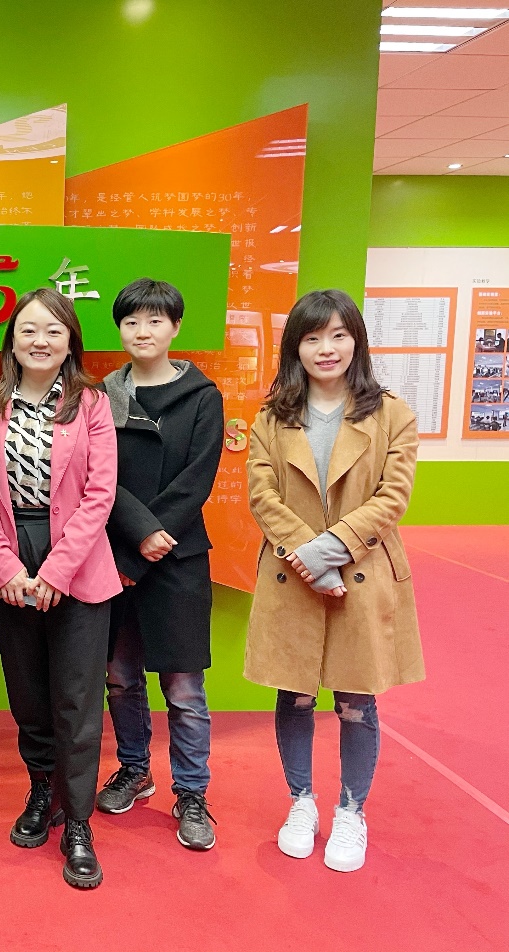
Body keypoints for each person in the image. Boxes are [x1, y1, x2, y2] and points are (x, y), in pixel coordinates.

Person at [244, 288, 423, 873]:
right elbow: (262, 496)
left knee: (355, 698)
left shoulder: (392, 413)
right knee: (294, 693)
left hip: (361, 572)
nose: (326, 348)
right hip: (292, 574)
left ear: (356, 341)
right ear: (295, 346)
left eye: (339, 335)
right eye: (313, 337)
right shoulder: (272, 415)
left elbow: (392, 497)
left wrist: (327, 553)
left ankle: (351, 810)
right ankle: (301, 803)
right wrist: (310, 561)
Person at [0, 287, 120, 889]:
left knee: (77, 702)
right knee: (28, 695)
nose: (40, 340)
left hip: (77, 563)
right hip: (9, 558)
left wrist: (56, 572)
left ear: (70, 341)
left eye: (54, 330)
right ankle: (42, 793)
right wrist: (4, 567)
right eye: (28, 329)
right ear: (11, 340)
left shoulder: (92, 404)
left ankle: (78, 823)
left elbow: (100, 494)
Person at [95, 279, 224, 851]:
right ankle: (134, 769)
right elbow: (99, 477)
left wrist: (153, 536)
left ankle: (192, 792)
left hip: (177, 558)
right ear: (119, 329)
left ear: (175, 327)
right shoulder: (101, 396)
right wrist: (134, 540)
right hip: (116, 555)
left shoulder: (202, 397)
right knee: (120, 677)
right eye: (131, 321)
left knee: (184, 688)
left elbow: (197, 479)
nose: (142, 331)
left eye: (154, 321)